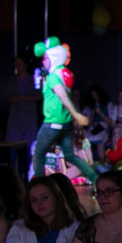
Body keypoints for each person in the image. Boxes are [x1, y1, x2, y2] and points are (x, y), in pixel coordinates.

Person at [29, 37, 96, 183]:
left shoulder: (53, 77)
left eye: (45, 58)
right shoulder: (61, 74)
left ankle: (40, 186)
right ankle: (95, 178)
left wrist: (76, 114)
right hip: (65, 124)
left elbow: (63, 96)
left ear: (53, 58)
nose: (43, 61)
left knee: (38, 154)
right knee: (70, 155)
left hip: (53, 122)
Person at [4, 52, 40, 163]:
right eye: (16, 64)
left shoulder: (33, 79)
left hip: (29, 118)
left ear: (25, 65)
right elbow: (8, 96)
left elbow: (40, 95)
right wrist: (14, 99)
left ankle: (29, 170)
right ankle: (12, 170)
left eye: (19, 64)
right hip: (15, 118)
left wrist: (26, 98)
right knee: (13, 148)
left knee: (30, 149)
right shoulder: (13, 80)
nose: (17, 66)